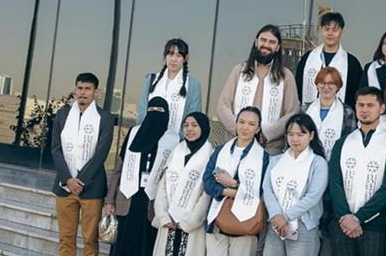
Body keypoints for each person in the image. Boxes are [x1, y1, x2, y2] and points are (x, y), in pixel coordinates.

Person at [327, 87, 386, 256]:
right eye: (360, 105)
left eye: (370, 105)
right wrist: (345, 217)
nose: (364, 110)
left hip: (375, 226)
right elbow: (335, 183)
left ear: (382, 108)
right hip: (342, 223)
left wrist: (358, 218)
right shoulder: (342, 144)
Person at [51, 72, 115, 256]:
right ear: (75, 90)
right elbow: (55, 148)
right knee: (66, 238)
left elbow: (101, 153)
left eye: (87, 89)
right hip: (65, 186)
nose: (83, 92)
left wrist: (80, 181)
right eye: (80, 88)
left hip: (92, 187)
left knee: (90, 239)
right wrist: (68, 179)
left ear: (96, 92)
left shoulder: (105, 117)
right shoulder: (63, 115)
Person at [107, 98, 177, 256]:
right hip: (128, 199)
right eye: (151, 110)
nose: (155, 114)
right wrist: (110, 200)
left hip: (152, 202)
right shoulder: (134, 132)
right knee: (123, 245)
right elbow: (118, 169)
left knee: (146, 246)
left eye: (159, 111)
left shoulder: (173, 139)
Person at [214, 24, 299, 153]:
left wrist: (266, 135)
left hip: (269, 149)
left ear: (278, 47)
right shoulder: (239, 70)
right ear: (256, 41)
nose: (266, 45)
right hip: (235, 146)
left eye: (272, 42)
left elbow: (292, 112)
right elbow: (222, 106)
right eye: (263, 40)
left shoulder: (285, 76)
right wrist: (239, 129)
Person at [202, 107, 269, 256]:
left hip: (246, 223)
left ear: (258, 129)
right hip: (218, 220)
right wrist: (225, 191)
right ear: (236, 124)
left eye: (251, 124)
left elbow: (261, 191)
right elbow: (208, 180)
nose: (245, 127)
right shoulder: (221, 151)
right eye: (242, 122)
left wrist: (233, 184)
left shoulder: (263, 158)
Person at [263, 114, 330, 256]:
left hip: (303, 226)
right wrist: (276, 215)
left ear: (311, 135)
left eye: (300, 134)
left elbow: (313, 197)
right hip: (275, 224)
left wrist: (286, 217)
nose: (294, 139)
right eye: (291, 134)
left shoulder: (318, 163)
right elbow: (267, 190)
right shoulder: (276, 161)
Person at [151, 112, 214, 256]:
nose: (189, 129)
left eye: (194, 125)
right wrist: (163, 216)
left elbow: (206, 195)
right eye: (186, 125)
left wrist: (190, 222)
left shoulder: (210, 155)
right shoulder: (177, 151)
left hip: (191, 226)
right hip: (169, 221)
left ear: (203, 128)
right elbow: (163, 185)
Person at [296, 11, 366, 108]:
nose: (330, 33)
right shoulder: (307, 58)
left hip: (341, 115)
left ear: (342, 32)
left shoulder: (351, 63)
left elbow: (357, 94)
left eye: (335, 30)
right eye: (326, 29)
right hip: (309, 114)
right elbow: (298, 87)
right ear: (320, 30)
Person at [144, 39, 203, 137]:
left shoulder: (193, 85)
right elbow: (142, 111)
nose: (174, 59)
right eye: (170, 54)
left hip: (176, 141)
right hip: (148, 137)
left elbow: (193, 118)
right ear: (165, 56)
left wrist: (179, 139)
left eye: (178, 55)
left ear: (185, 58)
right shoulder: (151, 80)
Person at [306, 66, 355, 156]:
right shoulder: (305, 109)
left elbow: (349, 142)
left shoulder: (347, 112)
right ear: (317, 85)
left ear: (338, 86)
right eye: (322, 83)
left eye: (331, 83)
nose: (326, 87)